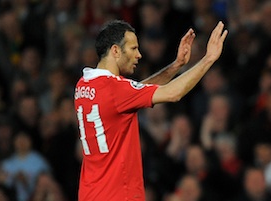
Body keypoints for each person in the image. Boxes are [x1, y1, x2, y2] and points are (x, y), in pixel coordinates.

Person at [73, 20, 227, 200]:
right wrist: (208, 59)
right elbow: (173, 94)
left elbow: (136, 92)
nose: (139, 55)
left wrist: (176, 66)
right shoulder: (116, 89)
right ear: (115, 50)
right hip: (118, 194)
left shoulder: (84, 85)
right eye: (133, 48)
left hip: (90, 193)